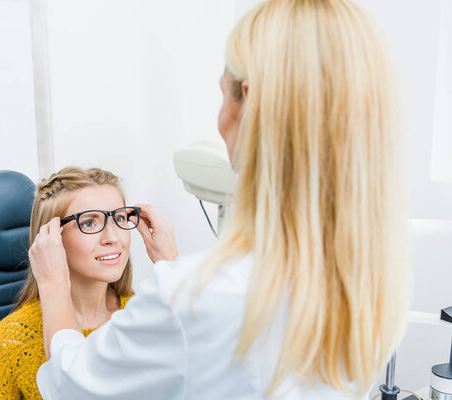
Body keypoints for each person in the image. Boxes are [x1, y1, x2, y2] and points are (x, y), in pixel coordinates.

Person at [31, 0, 411, 398]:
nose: (111, 236)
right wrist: (174, 277)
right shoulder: (367, 275)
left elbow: (70, 384)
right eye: (91, 222)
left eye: (221, 97)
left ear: (248, 103)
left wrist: (54, 285)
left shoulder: (198, 299)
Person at [0, 167, 138, 400]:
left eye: (119, 218)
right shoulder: (12, 340)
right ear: (51, 238)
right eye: (89, 223)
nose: (113, 237)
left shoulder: (145, 315)